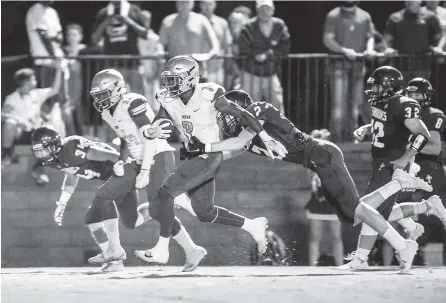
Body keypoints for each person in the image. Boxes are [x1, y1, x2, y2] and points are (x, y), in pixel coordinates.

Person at [182, 88, 433, 273]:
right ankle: (397, 186)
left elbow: (236, 143)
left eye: (228, 113)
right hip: (317, 162)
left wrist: (202, 144)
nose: (224, 119)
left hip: (322, 155)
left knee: (356, 210)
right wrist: (200, 154)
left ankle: (402, 245)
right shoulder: (244, 135)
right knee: (353, 217)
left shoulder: (258, 111)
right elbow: (230, 151)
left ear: (240, 109)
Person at [133, 55, 288, 265]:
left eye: (173, 79)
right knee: (205, 213)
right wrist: (153, 129)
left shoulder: (209, 93)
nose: (168, 85)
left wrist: (266, 137)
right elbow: (160, 119)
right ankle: (253, 226)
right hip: (193, 156)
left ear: (189, 78)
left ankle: (162, 249)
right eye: (168, 80)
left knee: (166, 193)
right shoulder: (168, 98)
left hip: (209, 156)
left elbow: (243, 114)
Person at [30, 126, 201, 272]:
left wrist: (131, 169)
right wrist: (62, 203)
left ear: (55, 145)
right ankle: (188, 246)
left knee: (101, 201)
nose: (42, 155)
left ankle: (115, 256)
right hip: (112, 180)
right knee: (131, 221)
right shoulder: (54, 160)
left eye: (44, 150)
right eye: (39, 151)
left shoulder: (71, 148)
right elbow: (72, 174)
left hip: (119, 173)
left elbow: (111, 155)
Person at [88, 68, 207, 272]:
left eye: (103, 94)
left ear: (117, 89)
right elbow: (128, 139)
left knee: (156, 208)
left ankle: (192, 249)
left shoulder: (133, 102)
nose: (100, 99)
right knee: (104, 197)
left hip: (158, 156)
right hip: (136, 159)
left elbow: (149, 138)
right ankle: (115, 252)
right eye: (97, 95)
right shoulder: (107, 112)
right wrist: (120, 160)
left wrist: (144, 170)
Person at [341, 67, 446, 270]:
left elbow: (423, 134)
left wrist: (406, 157)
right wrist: (367, 128)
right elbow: (389, 124)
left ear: (389, 86)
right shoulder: (383, 103)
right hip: (380, 161)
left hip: (391, 163)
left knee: (363, 211)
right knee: (378, 214)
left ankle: (365, 258)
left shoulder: (404, 105)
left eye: (377, 86)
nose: (373, 89)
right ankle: (425, 208)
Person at [377, 78, 446, 265]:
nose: (413, 97)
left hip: (427, 168)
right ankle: (409, 254)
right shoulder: (402, 110)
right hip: (406, 166)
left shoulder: (432, 115)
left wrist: (410, 147)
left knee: (429, 216)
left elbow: (434, 148)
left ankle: (414, 253)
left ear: (427, 95)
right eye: (411, 93)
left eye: (417, 94)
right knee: (397, 211)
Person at [1, 64, 62, 185]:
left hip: (35, 133)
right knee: (10, 123)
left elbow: (55, 89)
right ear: (26, 82)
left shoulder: (37, 94)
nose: (36, 81)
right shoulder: (11, 98)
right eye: (33, 79)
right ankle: (6, 154)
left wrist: (59, 69)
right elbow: (2, 115)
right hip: (19, 133)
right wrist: (18, 120)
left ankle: (40, 172)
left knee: (44, 131)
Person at [305, 129, 344, 266]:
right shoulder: (310, 163)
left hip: (333, 203)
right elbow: (311, 178)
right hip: (317, 203)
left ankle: (340, 265)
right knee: (315, 237)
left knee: (336, 236)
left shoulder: (335, 158)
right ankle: (313, 266)